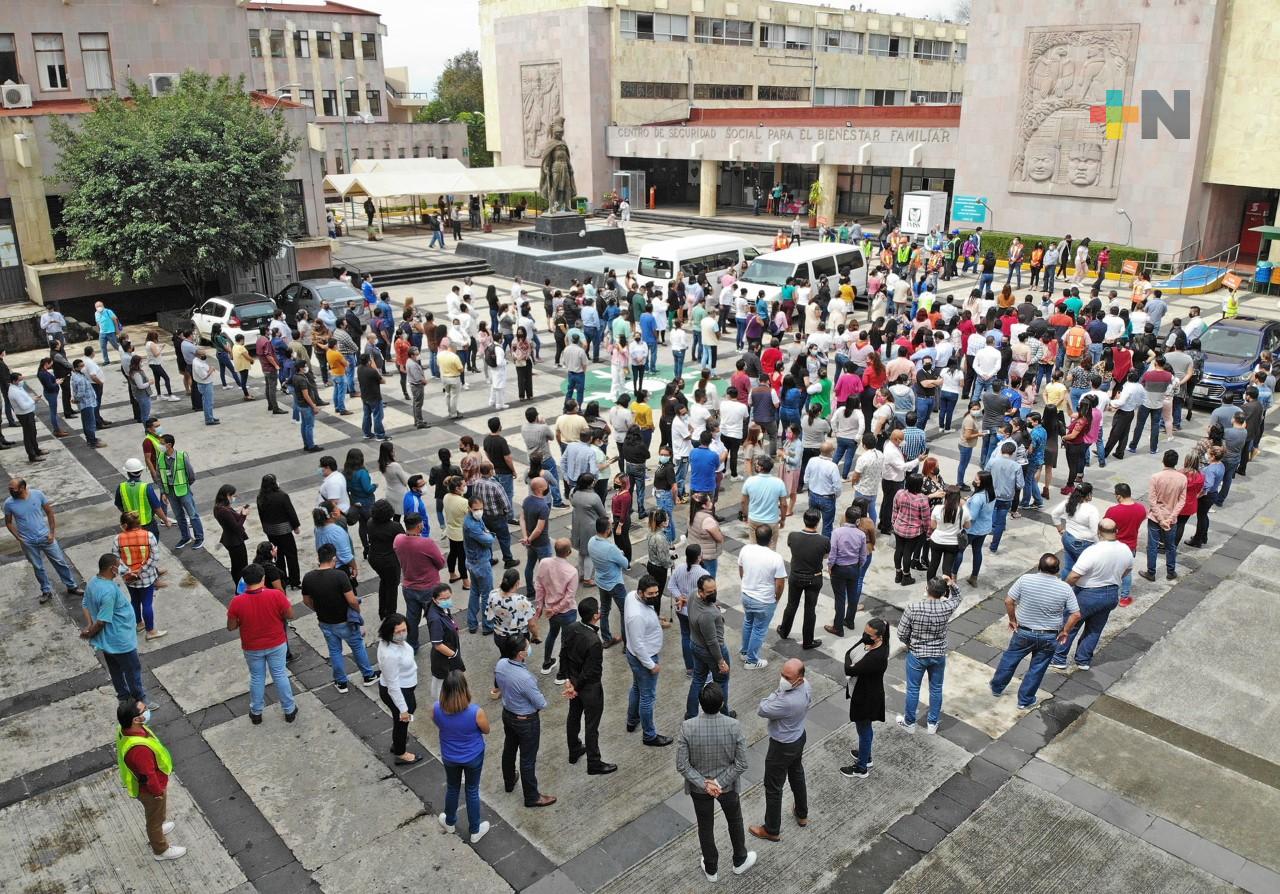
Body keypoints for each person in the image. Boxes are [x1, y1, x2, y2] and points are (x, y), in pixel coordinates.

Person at [677, 682, 756, 882]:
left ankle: (711, 869)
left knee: (705, 826)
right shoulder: (734, 726)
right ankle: (740, 860)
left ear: (700, 704)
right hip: (727, 786)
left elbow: (682, 765)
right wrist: (719, 783)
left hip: (700, 789)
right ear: (722, 703)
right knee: (735, 821)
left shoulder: (688, 727)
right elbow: (742, 763)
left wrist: (705, 783)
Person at [989, 553, 1082, 710]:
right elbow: (1076, 614)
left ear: (1039, 566)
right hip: (1049, 636)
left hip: (1023, 632)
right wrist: (1065, 631)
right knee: (1037, 668)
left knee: (1010, 659)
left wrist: (1012, 620)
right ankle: (1024, 700)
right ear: (1057, 570)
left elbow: (1009, 601)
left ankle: (997, 688)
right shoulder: (1065, 588)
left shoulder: (1025, 579)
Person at [1050, 519, 1132, 672]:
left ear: (1098, 532)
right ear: (1116, 531)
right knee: (1095, 629)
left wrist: (1064, 589)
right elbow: (1127, 570)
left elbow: (1074, 575)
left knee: (1070, 625)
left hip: (1087, 594)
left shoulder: (1092, 551)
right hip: (1111, 594)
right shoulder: (1125, 550)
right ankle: (1083, 660)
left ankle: (1058, 658)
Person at [749, 658, 812, 843]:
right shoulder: (806, 686)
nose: (783, 679)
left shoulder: (786, 701)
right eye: (782, 675)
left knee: (773, 787)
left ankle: (771, 829)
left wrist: (778, 692)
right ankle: (801, 813)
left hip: (782, 747)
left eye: (787, 677)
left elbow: (762, 708)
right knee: (797, 774)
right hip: (798, 737)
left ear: (798, 679)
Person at [115, 698, 186, 861]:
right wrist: (158, 792)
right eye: (144, 710)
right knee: (153, 819)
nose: (148, 711)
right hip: (150, 790)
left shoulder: (125, 729)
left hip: (150, 786)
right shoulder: (139, 749)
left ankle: (159, 827)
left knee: (156, 815)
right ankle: (161, 850)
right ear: (136, 719)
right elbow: (149, 776)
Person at [303, 543, 380, 692]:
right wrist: (357, 612)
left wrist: (318, 609)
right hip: (345, 621)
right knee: (357, 646)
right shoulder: (339, 576)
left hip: (325, 622)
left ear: (318, 558)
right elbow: (352, 600)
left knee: (335, 651)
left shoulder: (308, 578)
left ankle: (341, 682)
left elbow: (306, 601)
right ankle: (368, 675)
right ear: (333, 559)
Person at [226, 564, 298, 723]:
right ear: (263, 578)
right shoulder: (276, 595)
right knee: (280, 674)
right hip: (276, 643)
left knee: (257, 677)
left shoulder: (236, 602)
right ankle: (289, 709)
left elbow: (231, 626)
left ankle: (256, 712)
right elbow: (290, 615)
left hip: (252, 647)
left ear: (244, 581)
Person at [495, 634, 557, 808]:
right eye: (527, 646)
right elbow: (541, 703)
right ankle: (532, 796)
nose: (529, 648)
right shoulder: (525, 678)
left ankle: (509, 781)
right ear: (521, 654)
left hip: (508, 714)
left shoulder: (501, 665)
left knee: (509, 748)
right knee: (527, 759)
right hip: (525, 720)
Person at [81, 553, 149, 704]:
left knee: (115, 670)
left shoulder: (93, 582)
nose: (120, 569)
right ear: (112, 569)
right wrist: (90, 632)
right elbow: (102, 621)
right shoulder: (109, 592)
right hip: (120, 640)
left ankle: (123, 697)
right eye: (118, 566)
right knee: (133, 671)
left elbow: (85, 603)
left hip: (107, 641)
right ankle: (140, 700)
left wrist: (88, 624)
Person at [896, 575, 961, 734]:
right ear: (943, 593)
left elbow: (901, 633)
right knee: (936, 689)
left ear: (927, 589)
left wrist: (909, 643)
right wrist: (951, 583)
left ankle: (909, 722)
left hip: (917, 654)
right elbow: (958, 597)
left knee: (913, 689)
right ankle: (932, 723)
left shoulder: (913, 608)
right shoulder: (946, 607)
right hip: (938, 654)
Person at [561, 596, 618, 775]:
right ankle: (594, 762)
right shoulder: (594, 641)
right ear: (595, 616)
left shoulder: (571, 628)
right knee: (592, 726)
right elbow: (590, 671)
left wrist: (568, 681)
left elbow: (563, 654)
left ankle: (574, 750)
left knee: (573, 716)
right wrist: (575, 686)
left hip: (574, 682)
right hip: (589, 688)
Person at [433, 670, 492, 844]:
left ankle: (450, 822)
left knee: (452, 787)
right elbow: (486, 730)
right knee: (472, 790)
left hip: (450, 756)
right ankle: (475, 830)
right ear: (464, 689)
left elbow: (438, 724)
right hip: (473, 756)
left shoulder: (436, 709)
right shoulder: (476, 712)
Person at [5, 478, 83, 603]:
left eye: (12, 489)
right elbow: (8, 522)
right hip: (28, 542)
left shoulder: (37, 494)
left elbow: (49, 512)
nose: (10, 491)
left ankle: (71, 586)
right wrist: (18, 538)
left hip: (45, 537)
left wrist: (51, 533)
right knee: (38, 567)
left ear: (22, 488)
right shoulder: (9, 503)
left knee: (60, 561)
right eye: (9, 489)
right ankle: (46, 591)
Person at [625, 575, 671, 746]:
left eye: (656, 592)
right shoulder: (637, 616)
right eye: (650, 594)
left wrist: (656, 621)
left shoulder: (632, 596)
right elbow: (638, 645)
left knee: (637, 688)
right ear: (640, 592)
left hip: (635, 655)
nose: (655, 596)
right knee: (647, 698)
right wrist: (651, 665)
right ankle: (649, 736)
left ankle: (632, 720)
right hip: (644, 658)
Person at [840, 618, 889, 778]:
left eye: (869, 634)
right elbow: (848, 653)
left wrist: (850, 663)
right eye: (865, 632)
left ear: (879, 636)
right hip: (863, 692)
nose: (864, 636)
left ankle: (861, 768)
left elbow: (849, 669)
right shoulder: (872, 642)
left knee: (864, 729)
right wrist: (850, 661)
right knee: (864, 728)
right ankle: (865, 756)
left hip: (867, 698)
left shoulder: (877, 656)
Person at [394, 513, 446, 650]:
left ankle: (412, 645)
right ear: (419, 526)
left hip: (409, 587)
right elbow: (441, 563)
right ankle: (439, 643)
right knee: (434, 618)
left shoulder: (398, 540)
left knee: (412, 618)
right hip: (429, 588)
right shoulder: (427, 543)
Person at [738, 525, 787, 668]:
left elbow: (741, 569)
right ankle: (751, 661)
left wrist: (747, 583)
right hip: (764, 600)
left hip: (746, 595)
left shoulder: (746, 549)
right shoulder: (776, 558)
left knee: (748, 622)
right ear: (771, 539)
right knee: (759, 630)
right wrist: (776, 599)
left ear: (755, 536)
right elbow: (780, 584)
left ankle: (744, 652)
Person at [778, 509, 829, 648]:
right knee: (810, 609)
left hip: (796, 576)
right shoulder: (824, 540)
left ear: (804, 520)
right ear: (818, 522)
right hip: (814, 577)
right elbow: (825, 555)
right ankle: (808, 641)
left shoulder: (792, 536)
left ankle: (784, 631)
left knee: (791, 605)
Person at [113, 511, 165, 641]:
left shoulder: (118, 539)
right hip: (146, 578)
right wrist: (142, 570)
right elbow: (155, 558)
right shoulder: (148, 536)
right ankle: (150, 631)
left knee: (134, 601)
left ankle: (139, 624)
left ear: (125, 525)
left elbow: (115, 560)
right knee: (147, 603)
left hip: (129, 578)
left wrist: (129, 572)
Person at [533, 538, 579, 682]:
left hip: (550, 608)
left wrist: (540, 607)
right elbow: (569, 597)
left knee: (552, 634)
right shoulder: (572, 571)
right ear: (569, 552)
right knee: (566, 642)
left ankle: (546, 663)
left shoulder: (544, 563)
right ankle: (562, 673)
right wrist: (556, 609)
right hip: (567, 612)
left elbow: (539, 586)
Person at [377, 613, 420, 764]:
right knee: (402, 721)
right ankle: (400, 752)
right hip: (399, 691)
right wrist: (403, 709)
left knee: (401, 721)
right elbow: (393, 685)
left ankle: (398, 742)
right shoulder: (390, 655)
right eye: (398, 631)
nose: (402, 634)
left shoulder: (392, 642)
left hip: (405, 687)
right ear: (389, 632)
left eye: (404, 630)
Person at [1142, 449, 1186, 582]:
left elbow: (1152, 501)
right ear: (1176, 462)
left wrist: (1161, 520)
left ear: (1163, 461)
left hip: (1155, 518)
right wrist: (1171, 518)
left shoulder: (1156, 477)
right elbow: (1182, 501)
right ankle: (1171, 571)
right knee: (1170, 546)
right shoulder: (1182, 478)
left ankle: (1151, 572)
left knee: (1152, 546)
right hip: (1171, 519)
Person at [157, 435, 204, 549]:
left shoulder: (182, 456)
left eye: (162, 443)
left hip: (183, 491)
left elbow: (191, 475)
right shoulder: (161, 457)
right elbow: (159, 477)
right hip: (170, 492)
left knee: (192, 515)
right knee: (179, 516)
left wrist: (185, 486)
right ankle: (185, 537)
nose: (159, 446)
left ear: (169, 445)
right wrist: (163, 492)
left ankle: (199, 537)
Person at [257, 474, 302, 591]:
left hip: (270, 531)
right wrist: (296, 526)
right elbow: (290, 512)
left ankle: (283, 578)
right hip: (284, 530)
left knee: (278, 555)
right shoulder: (282, 495)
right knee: (291, 555)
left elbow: (261, 515)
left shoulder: (260, 497)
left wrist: (265, 527)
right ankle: (295, 580)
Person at [214, 484, 250, 585]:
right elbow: (237, 528)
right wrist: (244, 515)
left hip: (230, 539)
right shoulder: (223, 511)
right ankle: (241, 586)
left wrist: (240, 513)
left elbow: (232, 521)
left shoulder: (220, 508)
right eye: (233, 495)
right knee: (241, 566)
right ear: (227, 495)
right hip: (234, 542)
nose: (235, 497)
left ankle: (240, 585)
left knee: (236, 565)